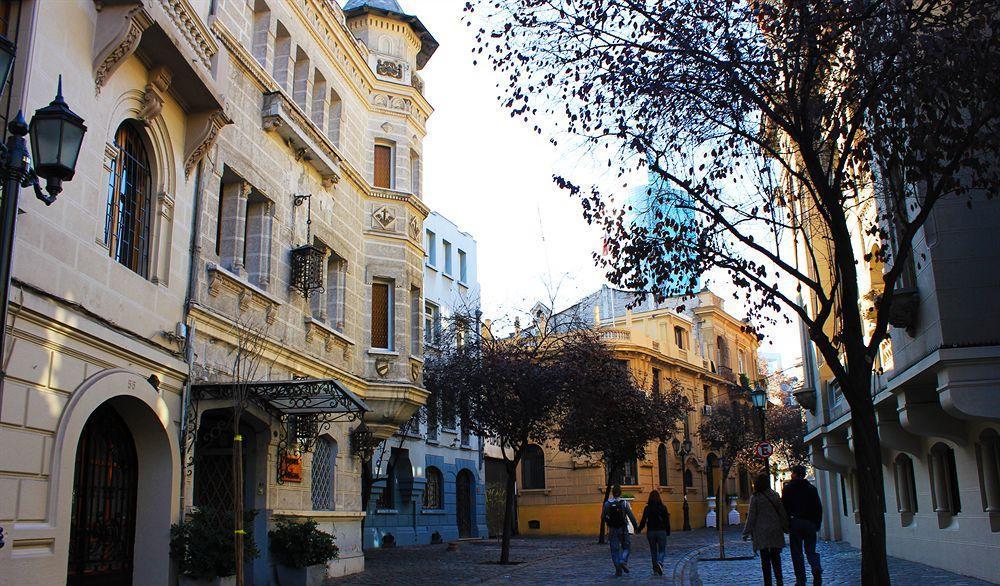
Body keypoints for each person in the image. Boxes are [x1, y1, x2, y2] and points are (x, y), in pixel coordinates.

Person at [743, 473, 788, 586]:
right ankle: (779, 581)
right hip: (775, 530)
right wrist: (786, 526)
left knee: (765, 560)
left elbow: (751, 517)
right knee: (776, 558)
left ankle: (767, 582)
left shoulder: (756, 497)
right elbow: (782, 512)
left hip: (761, 532)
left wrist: (746, 532)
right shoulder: (775, 495)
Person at [782, 465, 823, 586]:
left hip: (795, 522)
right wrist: (817, 524)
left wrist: (787, 524)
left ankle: (801, 579)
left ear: (794, 474)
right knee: (811, 551)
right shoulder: (811, 488)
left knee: (797, 553)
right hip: (810, 523)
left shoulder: (788, 489)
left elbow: (785, 508)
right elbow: (818, 508)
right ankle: (816, 567)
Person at [602, 484, 639, 576]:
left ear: (612, 493)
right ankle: (623, 560)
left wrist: (608, 522)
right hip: (623, 529)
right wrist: (636, 526)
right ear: (620, 493)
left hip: (612, 529)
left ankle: (618, 570)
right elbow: (631, 516)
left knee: (614, 550)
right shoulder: (624, 503)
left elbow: (603, 517)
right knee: (626, 547)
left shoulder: (607, 503)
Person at [636, 490, 671, 575]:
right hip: (661, 531)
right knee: (662, 550)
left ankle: (655, 569)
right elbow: (666, 521)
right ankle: (660, 562)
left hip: (651, 532)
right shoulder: (663, 508)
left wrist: (639, 529)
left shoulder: (647, 508)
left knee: (653, 550)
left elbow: (644, 520)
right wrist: (668, 531)